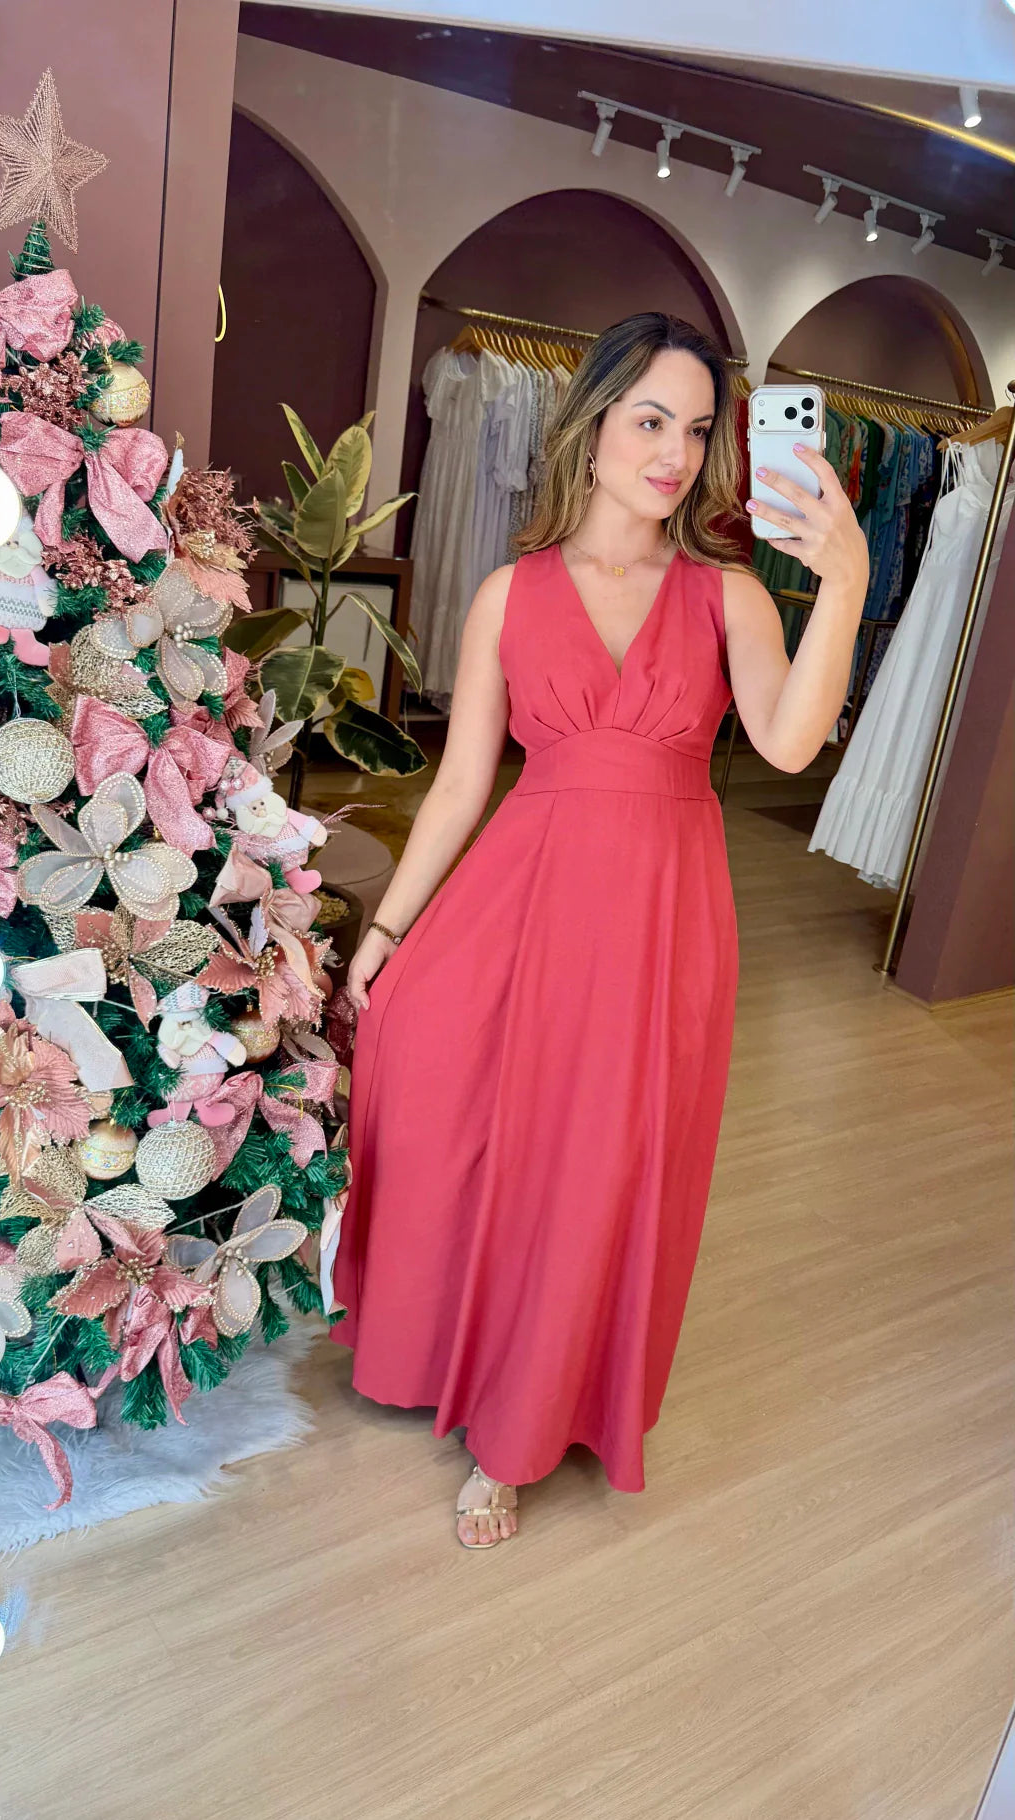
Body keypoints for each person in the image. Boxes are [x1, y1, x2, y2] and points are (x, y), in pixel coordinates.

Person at [333, 313, 869, 1549]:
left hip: (660, 924)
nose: (674, 453)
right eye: (650, 420)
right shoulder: (509, 593)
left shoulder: (729, 595)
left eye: (696, 429)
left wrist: (842, 582)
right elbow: (460, 784)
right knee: (449, 1100)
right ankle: (443, 1343)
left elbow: (791, 742)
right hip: (518, 898)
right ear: (592, 424)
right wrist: (388, 930)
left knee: (601, 1165)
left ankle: (518, 1432)